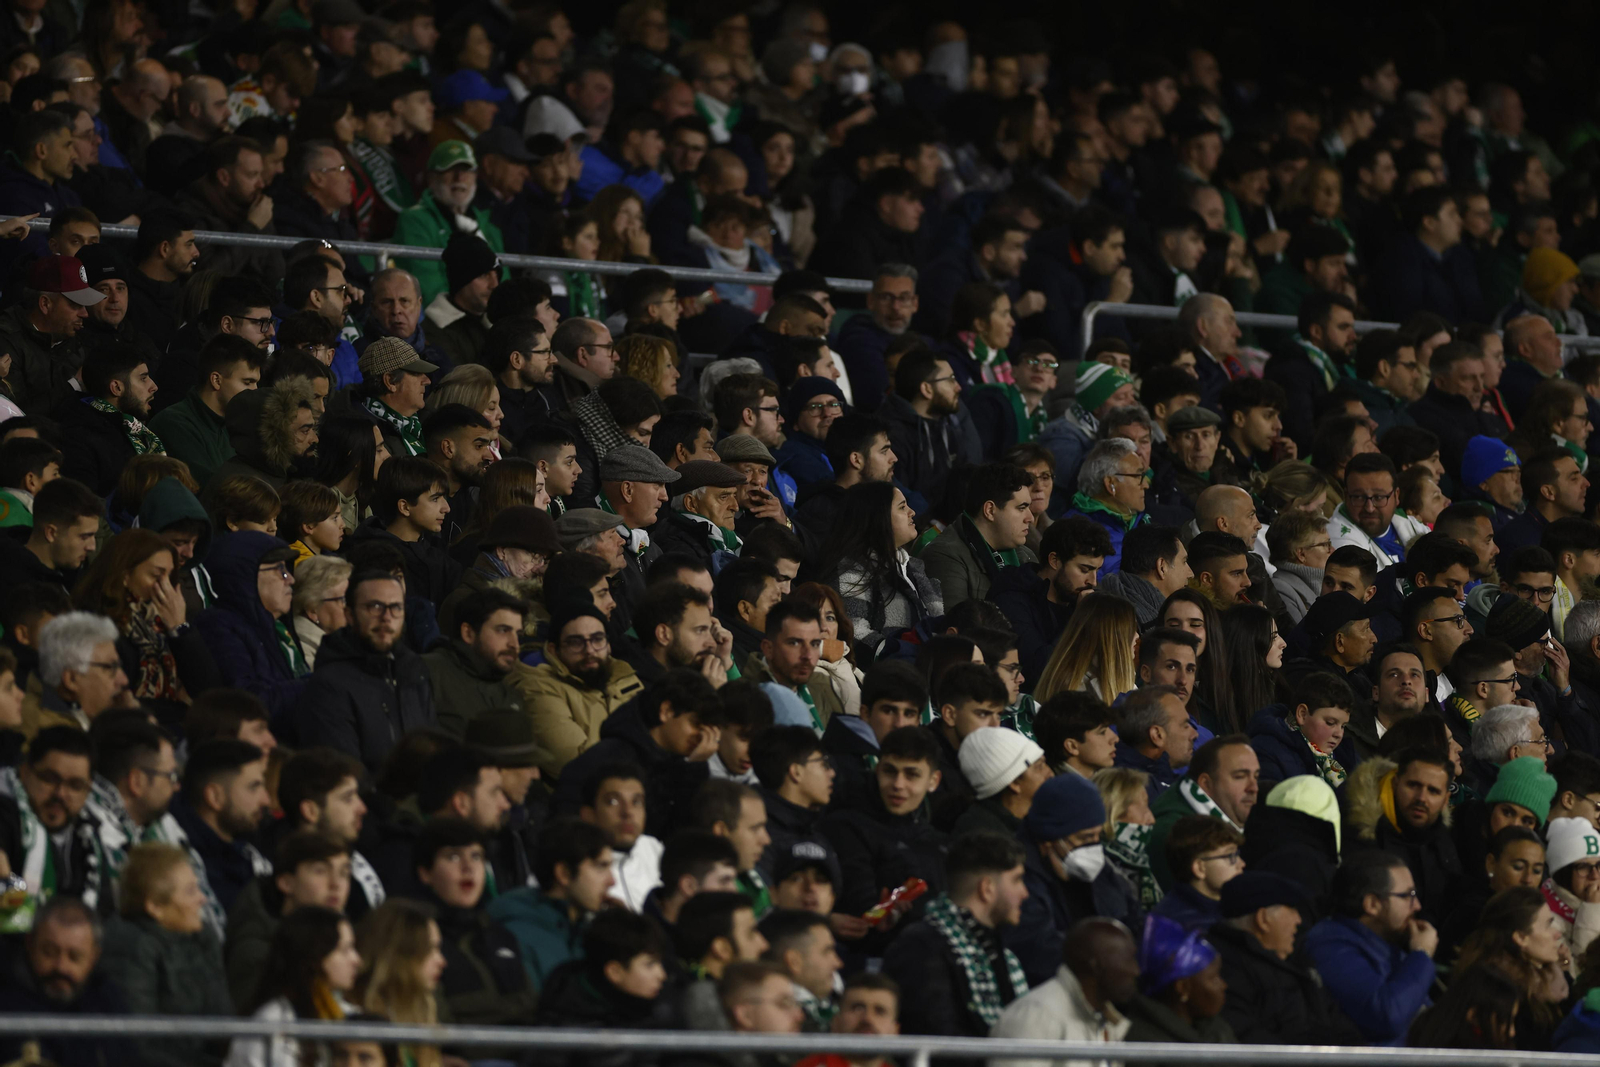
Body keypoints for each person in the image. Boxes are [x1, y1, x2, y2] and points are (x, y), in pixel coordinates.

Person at [880, 832, 1030, 1039]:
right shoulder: (920, 948)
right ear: (987, 889)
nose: (1025, 893)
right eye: (1017, 880)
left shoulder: (999, 954)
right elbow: (935, 1040)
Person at [99, 842, 233, 1067]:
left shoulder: (203, 937)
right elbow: (138, 1045)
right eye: (190, 891)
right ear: (155, 907)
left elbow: (224, 1024)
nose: (202, 899)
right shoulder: (131, 945)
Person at [294, 569, 438, 774]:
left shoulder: (414, 671)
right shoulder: (328, 685)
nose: (386, 617)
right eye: (375, 607)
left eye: (396, 607)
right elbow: (343, 774)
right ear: (349, 615)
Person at [1010, 770, 1144, 985]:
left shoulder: (1101, 870)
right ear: (1048, 841)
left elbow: (1134, 919)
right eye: (1085, 838)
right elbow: (1041, 957)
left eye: (1097, 836)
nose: (1093, 847)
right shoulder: (1019, 883)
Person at [1303, 851, 1437, 1046]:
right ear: (1372, 904)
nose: (1417, 906)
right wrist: (1421, 955)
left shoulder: (1388, 947)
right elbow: (1386, 1016)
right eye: (1407, 896)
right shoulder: (1330, 947)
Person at [509, 601, 646, 781]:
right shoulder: (537, 687)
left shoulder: (622, 673)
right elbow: (579, 763)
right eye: (575, 642)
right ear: (554, 650)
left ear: (608, 644)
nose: (589, 650)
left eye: (597, 639)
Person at [0, 896, 143, 1067]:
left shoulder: (108, 1001)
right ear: (30, 945)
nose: (61, 967)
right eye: (49, 952)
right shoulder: (7, 1002)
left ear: (94, 957)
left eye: (74, 957)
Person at [988, 916, 1138, 1066]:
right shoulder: (1034, 1016)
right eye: (1128, 959)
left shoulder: (1108, 1022)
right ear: (1096, 966)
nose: (1135, 970)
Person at [225, 904, 362, 1067]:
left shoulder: (349, 1014)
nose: (356, 960)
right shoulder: (271, 1023)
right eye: (345, 950)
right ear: (315, 956)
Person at [488, 818, 614, 992]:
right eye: (601, 867)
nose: (612, 881)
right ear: (564, 874)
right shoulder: (515, 936)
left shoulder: (587, 931)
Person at [1147, 736, 1260, 892]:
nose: (1254, 788)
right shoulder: (1171, 836)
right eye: (1240, 776)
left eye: (1256, 776)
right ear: (1206, 784)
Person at [1151, 816, 1246, 933]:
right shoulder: (1180, 928)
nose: (1242, 864)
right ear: (1199, 868)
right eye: (1230, 856)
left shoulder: (1229, 907)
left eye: (1237, 854)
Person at [1112, 685, 1197, 800]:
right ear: (1157, 735)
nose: (1195, 734)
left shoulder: (1162, 779)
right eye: (1185, 726)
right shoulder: (1135, 796)